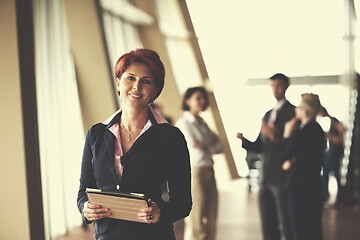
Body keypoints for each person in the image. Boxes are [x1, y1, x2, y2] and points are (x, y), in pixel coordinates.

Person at [77, 48, 192, 240]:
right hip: (108, 236)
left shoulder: (171, 137)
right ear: (118, 82)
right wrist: (85, 208)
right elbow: (84, 189)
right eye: (130, 78)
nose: (137, 86)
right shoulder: (96, 134)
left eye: (146, 81)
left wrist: (161, 212)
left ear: (155, 90)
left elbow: (183, 202)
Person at [236, 73, 294, 240]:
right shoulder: (268, 114)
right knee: (267, 220)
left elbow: (290, 145)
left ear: (286, 87)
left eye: (279, 86)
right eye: (272, 86)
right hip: (265, 175)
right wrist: (245, 141)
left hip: (281, 175)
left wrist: (274, 136)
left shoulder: (292, 112)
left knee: (285, 219)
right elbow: (260, 145)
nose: (275, 90)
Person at [176, 86, 223, 240]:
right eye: (198, 98)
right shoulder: (183, 123)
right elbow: (195, 148)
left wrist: (204, 146)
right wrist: (209, 145)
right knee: (196, 218)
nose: (202, 101)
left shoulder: (202, 123)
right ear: (187, 100)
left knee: (211, 216)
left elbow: (220, 147)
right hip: (195, 172)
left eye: (203, 98)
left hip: (209, 170)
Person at [282, 93, 326, 240]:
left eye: (299, 107)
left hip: (298, 187)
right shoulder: (318, 131)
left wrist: (287, 134)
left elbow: (285, 155)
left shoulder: (300, 132)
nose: (296, 110)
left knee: (299, 228)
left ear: (305, 111)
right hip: (314, 185)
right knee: (313, 229)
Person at [318, 107, 345, 204]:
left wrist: (336, 139)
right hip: (330, 152)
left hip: (334, 152)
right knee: (329, 173)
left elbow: (342, 129)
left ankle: (336, 196)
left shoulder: (333, 120)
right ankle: (329, 195)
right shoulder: (329, 121)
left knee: (331, 174)